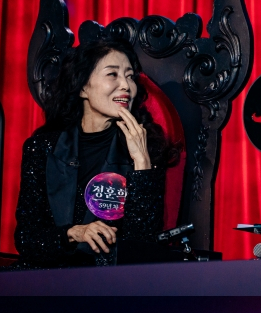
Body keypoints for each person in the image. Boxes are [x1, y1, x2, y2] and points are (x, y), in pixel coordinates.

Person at [14, 39, 176, 269]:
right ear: (82, 87)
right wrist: (73, 234)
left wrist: (142, 164)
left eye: (130, 76)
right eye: (113, 74)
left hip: (107, 278)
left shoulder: (147, 146)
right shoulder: (42, 147)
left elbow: (142, 243)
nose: (126, 85)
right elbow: (27, 239)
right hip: (46, 273)